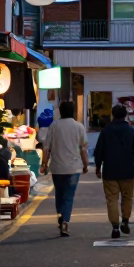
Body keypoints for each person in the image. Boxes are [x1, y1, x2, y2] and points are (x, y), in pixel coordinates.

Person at [93, 103, 134, 239]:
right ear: (125, 116)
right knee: (127, 197)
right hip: (127, 170)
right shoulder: (132, 132)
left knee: (112, 199)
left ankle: (115, 227)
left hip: (110, 171)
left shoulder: (106, 131)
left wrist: (98, 167)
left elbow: (99, 151)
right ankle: (125, 221)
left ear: (112, 115)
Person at [39, 101, 89, 237]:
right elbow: (83, 148)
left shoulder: (54, 126)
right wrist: (85, 164)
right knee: (69, 196)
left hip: (57, 167)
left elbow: (46, 147)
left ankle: (61, 215)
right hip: (74, 168)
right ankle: (65, 221)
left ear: (60, 112)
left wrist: (44, 164)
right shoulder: (79, 127)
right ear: (72, 111)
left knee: (59, 194)